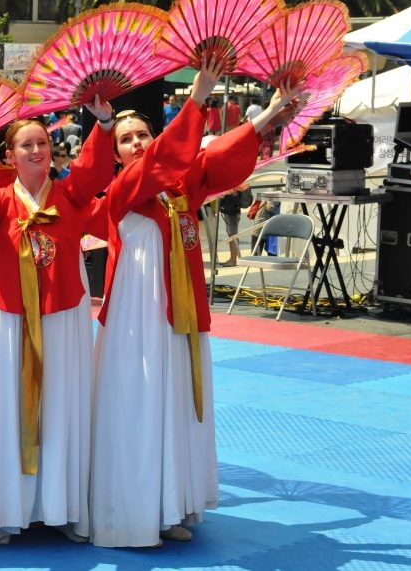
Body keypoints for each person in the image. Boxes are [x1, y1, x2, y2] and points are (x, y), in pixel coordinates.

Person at [86, 58, 291, 548]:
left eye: (142, 135)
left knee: (175, 403)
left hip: (178, 316)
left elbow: (217, 158)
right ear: (116, 156)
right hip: (138, 323)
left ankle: (170, 502)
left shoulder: (180, 188)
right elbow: (162, 163)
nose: (137, 144)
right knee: (142, 403)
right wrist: (197, 97)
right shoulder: (122, 190)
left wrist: (274, 111)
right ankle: (135, 508)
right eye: (126, 140)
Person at [0, 100, 116, 547]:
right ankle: (2, 510)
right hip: (8, 320)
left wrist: (105, 123)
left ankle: (63, 507)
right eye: (26, 144)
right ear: (10, 154)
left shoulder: (70, 197)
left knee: (61, 405)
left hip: (62, 319)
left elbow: (94, 174)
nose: (36, 150)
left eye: (42, 142)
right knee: (6, 407)